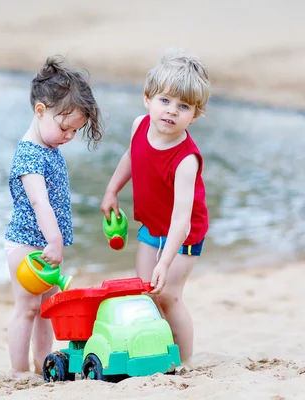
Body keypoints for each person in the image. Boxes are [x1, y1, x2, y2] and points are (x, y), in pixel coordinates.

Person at [100, 49, 210, 364]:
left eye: (183, 106)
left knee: (169, 296)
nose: (171, 111)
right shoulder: (140, 125)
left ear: (195, 114)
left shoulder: (186, 159)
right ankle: (155, 350)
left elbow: (182, 222)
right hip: (151, 226)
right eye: (165, 101)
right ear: (148, 98)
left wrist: (166, 261)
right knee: (146, 293)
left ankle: (185, 362)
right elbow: (131, 158)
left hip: (184, 236)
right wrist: (111, 190)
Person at [4, 54, 104, 379]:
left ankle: (41, 364)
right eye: (65, 128)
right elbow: (39, 202)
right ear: (40, 110)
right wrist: (55, 239)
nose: (68, 136)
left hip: (47, 244)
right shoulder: (29, 154)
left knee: (47, 310)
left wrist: (53, 242)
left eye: (75, 131)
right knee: (28, 308)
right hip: (26, 244)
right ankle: (19, 371)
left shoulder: (48, 146)